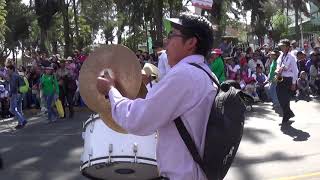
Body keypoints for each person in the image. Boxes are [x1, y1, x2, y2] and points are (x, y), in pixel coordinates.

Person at [96, 13, 217, 180]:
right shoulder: (206, 74)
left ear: (191, 42)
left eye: (172, 35)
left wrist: (110, 90)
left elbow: (137, 119)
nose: (166, 42)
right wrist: (146, 84)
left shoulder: (184, 75)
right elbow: (170, 108)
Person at [275, 39, 299, 125]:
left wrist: (293, 83)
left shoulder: (292, 57)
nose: (281, 47)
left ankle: (286, 115)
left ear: (288, 47)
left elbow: (296, 71)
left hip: (288, 80)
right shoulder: (281, 56)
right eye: (281, 46)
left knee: (284, 98)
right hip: (280, 78)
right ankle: (288, 113)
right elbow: (278, 64)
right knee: (280, 97)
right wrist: (278, 70)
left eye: (283, 46)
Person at [6, 64, 27, 129]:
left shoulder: (13, 76)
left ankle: (23, 120)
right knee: (19, 110)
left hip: (16, 94)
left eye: (8, 70)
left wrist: (9, 95)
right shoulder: (16, 75)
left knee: (12, 109)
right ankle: (20, 123)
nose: (7, 71)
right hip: (20, 94)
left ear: (12, 69)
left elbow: (13, 87)